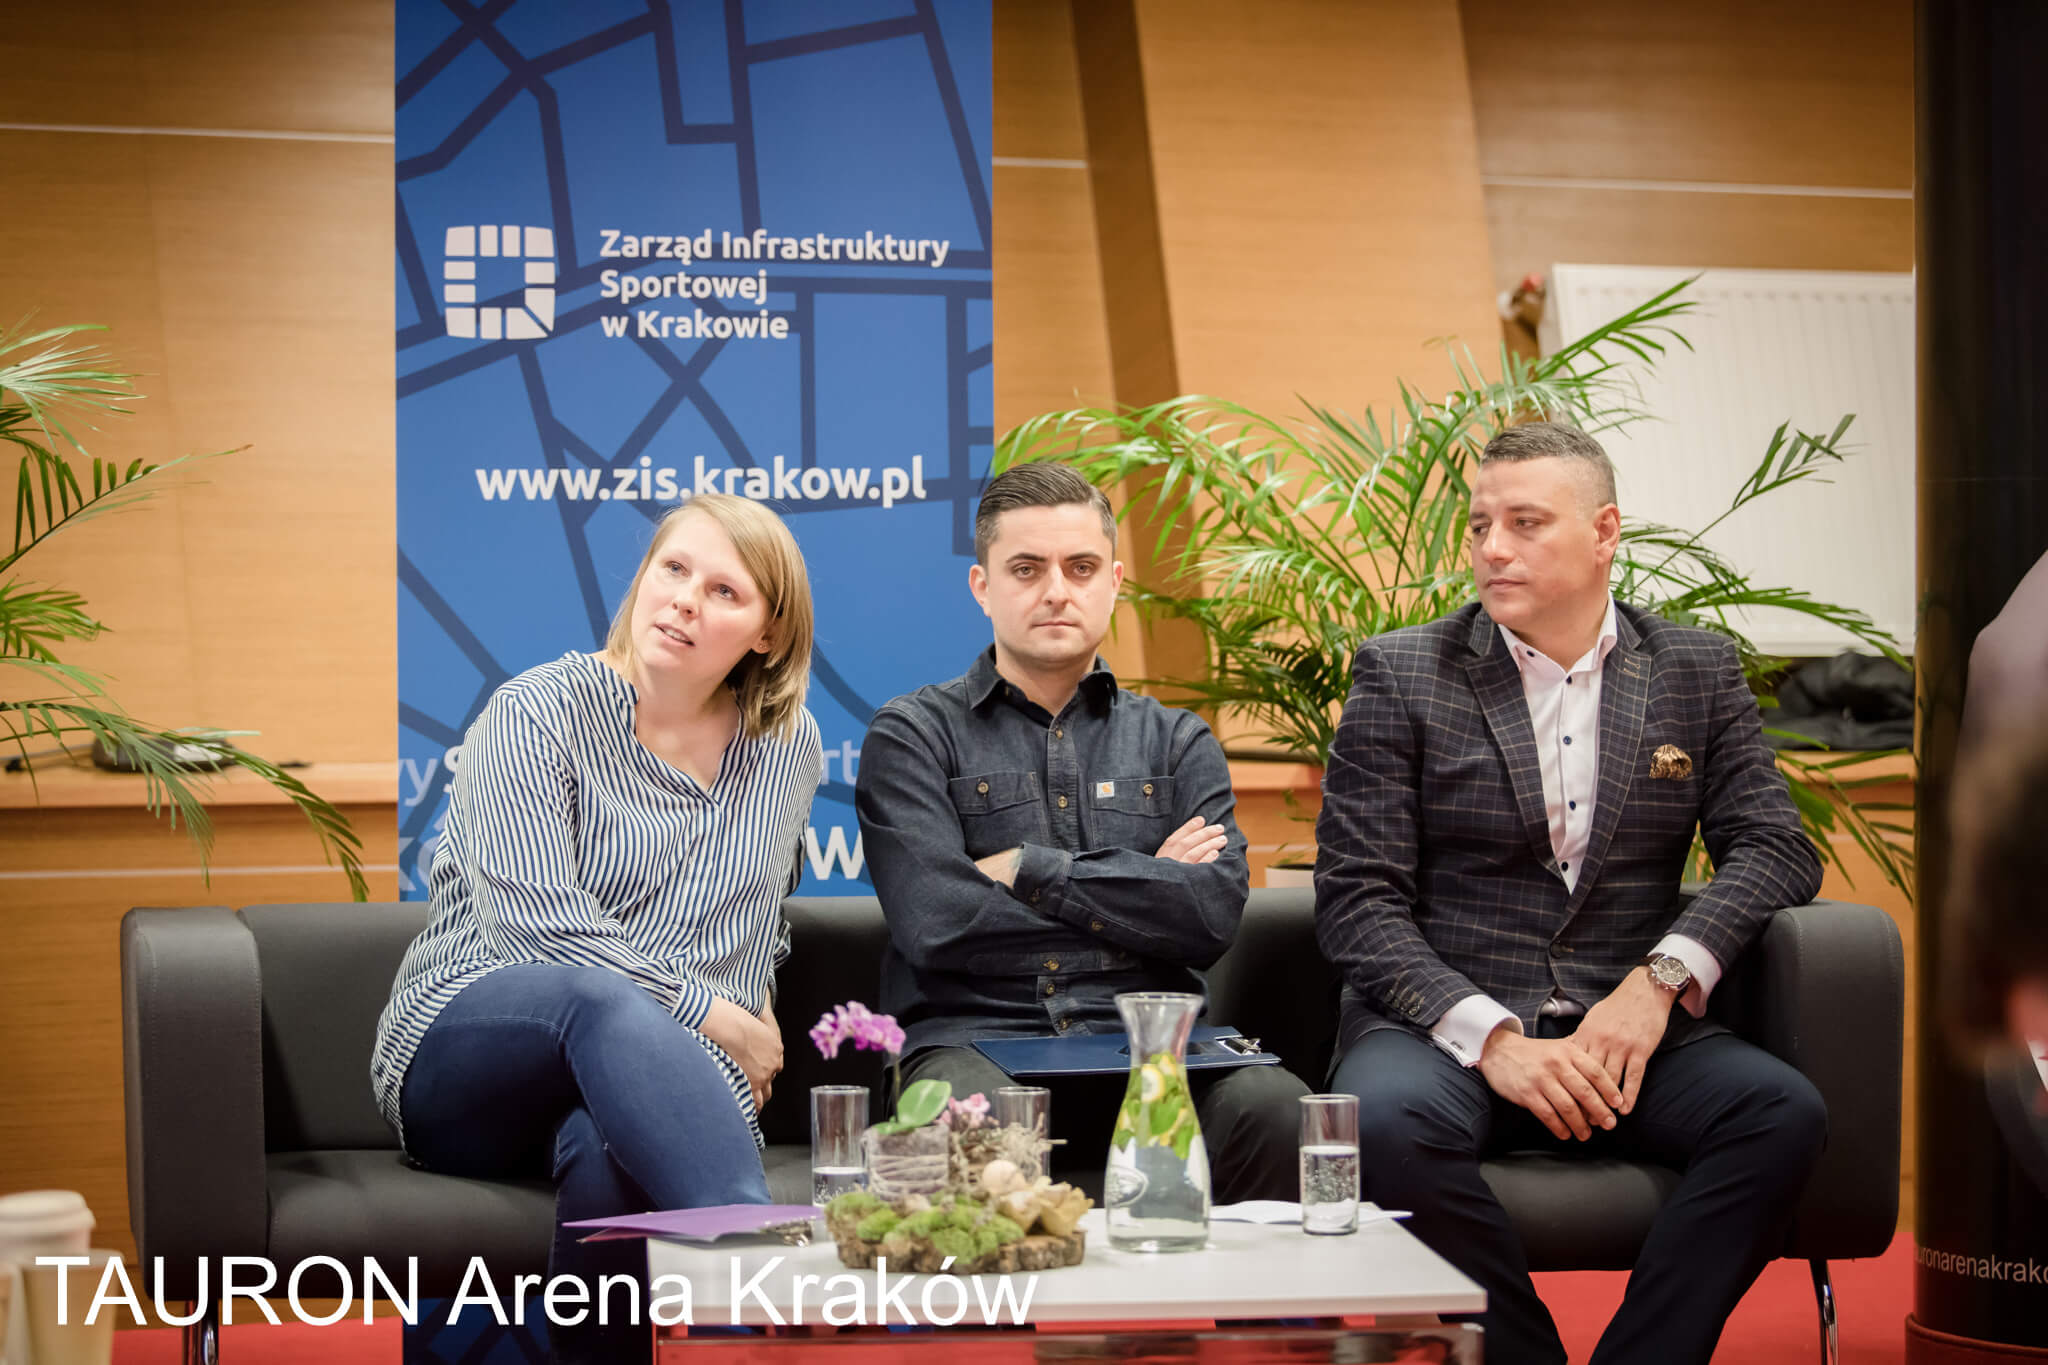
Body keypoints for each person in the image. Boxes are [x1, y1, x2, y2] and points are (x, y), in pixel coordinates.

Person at [1315, 422, 1828, 1365]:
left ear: (1604, 532)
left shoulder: (1695, 669)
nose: (1492, 548)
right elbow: (1357, 900)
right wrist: (1494, 1039)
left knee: (1780, 1113)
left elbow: (1775, 847)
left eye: (1525, 522)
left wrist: (1659, 981)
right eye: (1480, 525)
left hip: (1626, 1028)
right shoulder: (1402, 670)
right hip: (1446, 1031)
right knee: (1380, 1123)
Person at [370, 494, 822, 1363]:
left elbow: (756, 912)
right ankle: (756, 1266)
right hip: (474, 1052)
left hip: (659, 1072)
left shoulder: (785, 744)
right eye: (674, 568)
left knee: (604, 1149)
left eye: (724, 591)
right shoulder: (536, 711)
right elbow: (537, 928)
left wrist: (749, 1002)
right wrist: (719, 1019)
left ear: (768, 633)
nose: (685, 599)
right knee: (595, 996)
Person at [854, 461, 1308, 1200]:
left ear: (1115, 581)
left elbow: (1210, 917)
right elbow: (938, 920)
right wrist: (1145, 885)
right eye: (1026, 569)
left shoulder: (1177, 742)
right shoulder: (914, 735)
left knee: (1280, 1110)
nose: (1056, 590)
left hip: (1157, 1046)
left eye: (1081, 567)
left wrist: (1027, 868)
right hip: (975, 1044)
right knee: (969, 1126)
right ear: (982, 587)